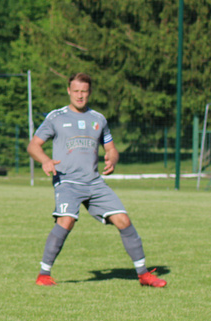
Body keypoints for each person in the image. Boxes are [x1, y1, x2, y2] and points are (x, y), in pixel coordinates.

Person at [27, 72, 167, 288]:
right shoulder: (56, 117)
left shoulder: (99, 119)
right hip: (67, 182)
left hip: (94, 183)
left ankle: (143, 274)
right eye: (76, 91)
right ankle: (43, 274)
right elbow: (33, 146)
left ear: (89, 92)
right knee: (66, 221)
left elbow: (111, 148)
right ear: (69, 91)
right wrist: (45, 160)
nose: (80, 96)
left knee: (123, 220)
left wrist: (113, 158)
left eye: (84, 91)